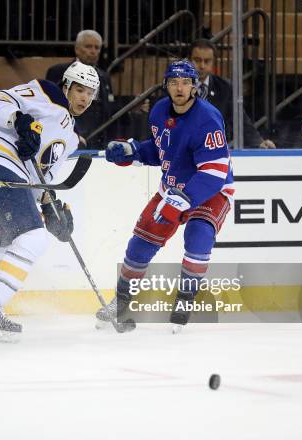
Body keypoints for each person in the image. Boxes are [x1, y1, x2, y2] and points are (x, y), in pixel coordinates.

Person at [0, 61, 100, 342]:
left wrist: (50, 206)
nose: (84, 97)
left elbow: (40, 178)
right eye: (80, 89)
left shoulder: (71, 139)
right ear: (66, 86)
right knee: (33, 239)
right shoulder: (47, 93)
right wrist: (20, 121)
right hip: (0, 162)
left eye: (90, 93)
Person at [95, 60, 234, 333]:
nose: (179, 88)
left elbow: (214, 170)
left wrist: (181, 201)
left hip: (210, 191)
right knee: (140, 244)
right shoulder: (159, 111)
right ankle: (122, 300)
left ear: (194, 86)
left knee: (198, 235)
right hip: (172, 188)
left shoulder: (208, 118)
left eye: (185, 82)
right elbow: (162, 151)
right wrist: (131, 151)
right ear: (166, 86)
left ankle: (184, 301)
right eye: (173, 82)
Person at [189, 39, 276, 149]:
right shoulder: (177, 88)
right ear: (188, 60)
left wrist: (258, 142)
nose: (202, 66)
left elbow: (240, 119)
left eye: (207, 61)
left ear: (213, 62)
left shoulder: (225, 87)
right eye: (197, 60)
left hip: (217, 151)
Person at [45, 30, 115, 148]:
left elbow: (107, 108)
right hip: (68, 143)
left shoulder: (104, 76)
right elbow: (51, 108)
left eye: (97, 47)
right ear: (77, 49)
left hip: (98, 143)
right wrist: (72, 135)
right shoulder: (58, 72)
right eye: (88, 46)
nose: (93, 51)